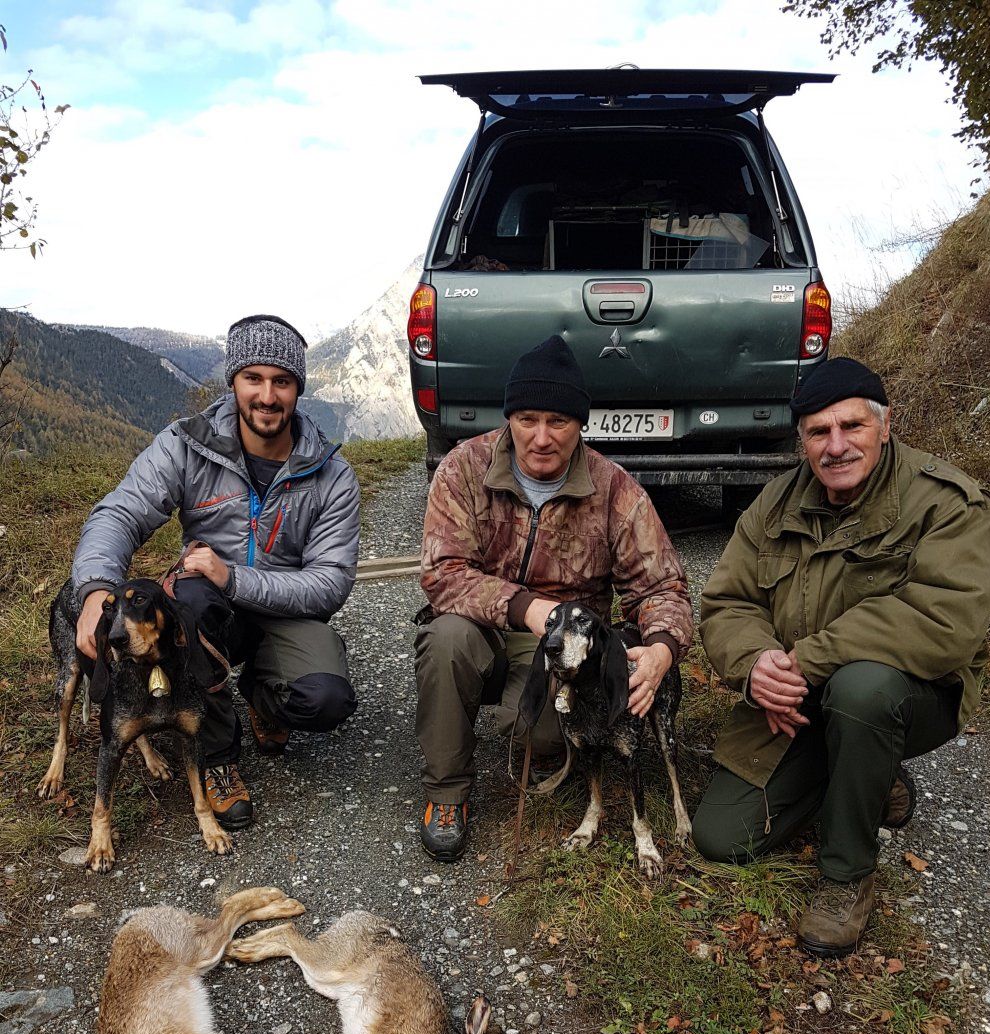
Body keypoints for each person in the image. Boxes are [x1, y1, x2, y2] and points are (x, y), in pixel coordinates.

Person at [692, 357, 990, 956]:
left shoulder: (950, 503)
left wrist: (805, 662)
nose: (836, 446)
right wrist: (759, 663)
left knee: (863, 690)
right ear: (802, 441)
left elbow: (942, 621)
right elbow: (727, 600)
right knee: (721, 837)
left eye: (851, 427)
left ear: (884, 426)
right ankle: (864, 773)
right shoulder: (775, 504)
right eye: (818, 432)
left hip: (909, 695)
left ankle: (847, 876)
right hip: (802, 696)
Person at [72, 313, 359, 830]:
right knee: (192, 605)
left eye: (282, 381)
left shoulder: (332, 475)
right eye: (254, 378)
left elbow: (329, 585)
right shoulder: (186, 445)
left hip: (282, 609)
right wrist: (95, 588)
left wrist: (235, 577)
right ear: (233, 382)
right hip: (208, 608)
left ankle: (263, 698)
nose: (267, 396)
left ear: (298, 390)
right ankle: (220, 760)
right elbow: (120, 512)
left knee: (326, 698)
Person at [415, 334, 693, 861]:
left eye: (558, 422)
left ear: (580, 425)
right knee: (445, 640)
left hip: (562, 650)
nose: (541, 438)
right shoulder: (463, 469)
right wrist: (528, 609)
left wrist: (660, 647)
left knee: (541, 734)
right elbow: (442, 573)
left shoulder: (616, 491)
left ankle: (531, 736)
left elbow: (664, 587)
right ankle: (446, 794)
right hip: (478, 627)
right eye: (527, 419)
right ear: (509, 419)